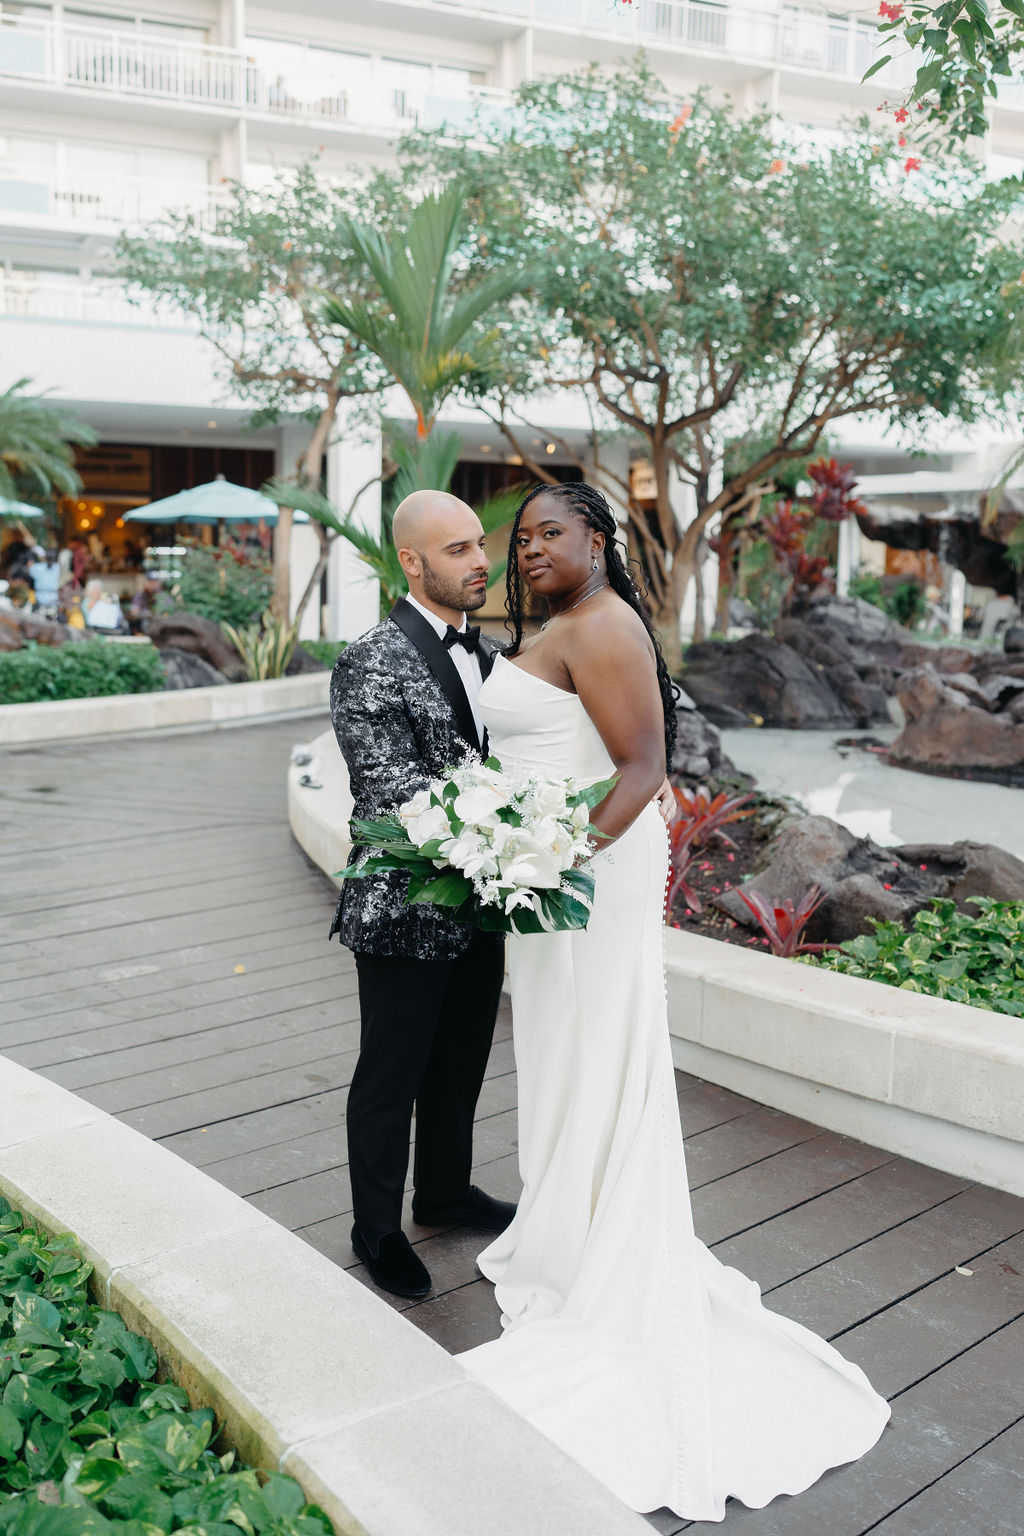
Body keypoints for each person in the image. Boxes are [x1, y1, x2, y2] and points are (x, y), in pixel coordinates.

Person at [458, 481, 890, 1521]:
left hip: (583, 872)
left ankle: (594, 1243)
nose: (528, 550)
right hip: (553, 868)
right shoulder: (562, 623)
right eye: (519, 538)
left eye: (548, 533)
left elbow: (643, 770)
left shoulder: (602, 627)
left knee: (593, 1050)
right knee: (562, 1055)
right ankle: (565, 1225)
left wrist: (543, 859)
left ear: (598, 541)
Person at [328, 489, 515, 1301]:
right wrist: (509, 828)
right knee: (392, 1072)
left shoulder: (500, 654)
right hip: (404, 905)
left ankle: (443, 1192)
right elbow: (391, 789)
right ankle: (375, 1228)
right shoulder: (370, 657)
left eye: (480, 546)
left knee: (463, 1061)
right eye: (458, 550)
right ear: (412, 562)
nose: (481, 562)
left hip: (486, 896)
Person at [28, 547, 61, 613]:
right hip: (53, 600)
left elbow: (29, 567)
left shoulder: (37, 567)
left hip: (40, 599)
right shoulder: (57, 568)